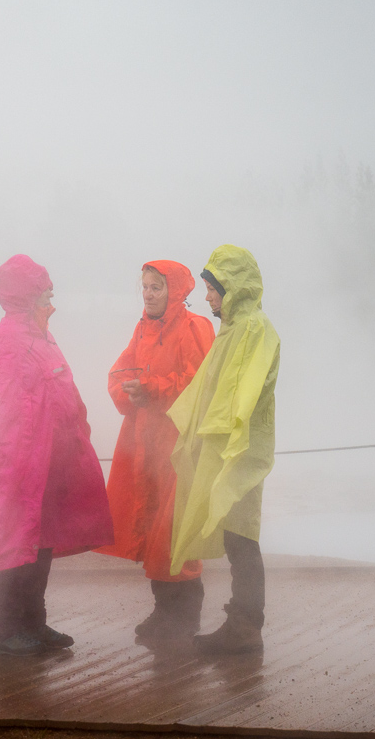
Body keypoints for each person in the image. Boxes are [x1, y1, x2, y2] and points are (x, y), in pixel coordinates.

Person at [0, 254, 114, 656]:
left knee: (39, 541)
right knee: (13, 541)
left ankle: (33, 623)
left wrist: (74, 435)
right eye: (45, 292)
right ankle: (5, 632)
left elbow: (58, 391)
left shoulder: (39, 334)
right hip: (19, 460)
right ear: (27, 296)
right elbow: (4, 409)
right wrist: (17, 461)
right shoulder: (12, 338)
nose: (50, 299)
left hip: (46, 457)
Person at [167, 245, 280, 653]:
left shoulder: (253, 328)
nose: (208, 297)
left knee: (242, 536)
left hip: (239, 449)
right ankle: (242, 625)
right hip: (228, 445)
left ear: (232, 287)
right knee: (236, 536)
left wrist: (222, 438)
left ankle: (246, 628)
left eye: (213, 289)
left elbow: (241, 394)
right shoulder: (235, 328)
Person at [99, 261, 215, 644]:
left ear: (175, 291)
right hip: (146, 444)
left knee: (176, 531)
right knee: (152, 527)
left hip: (179, 443)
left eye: (156, 287)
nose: (148, 295)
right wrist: (129, 389)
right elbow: (119, 372)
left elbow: (199, 383)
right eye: (145, 287)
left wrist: (150, 387)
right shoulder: (142, 329)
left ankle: (184, 617)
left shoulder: (195, 327)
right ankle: (164, 611)